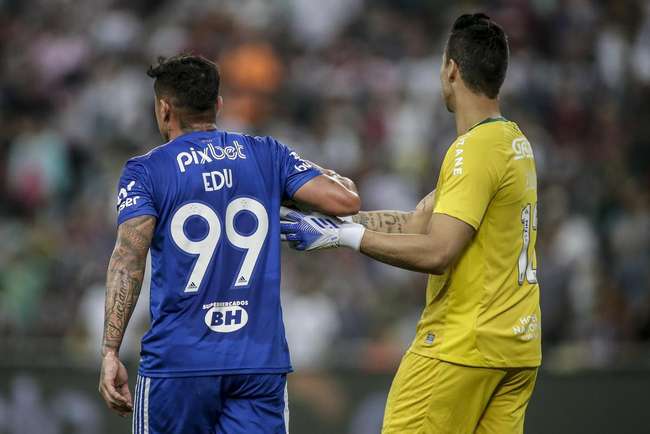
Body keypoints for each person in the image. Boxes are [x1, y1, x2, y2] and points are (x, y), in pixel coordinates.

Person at [281, 13, 541, 433]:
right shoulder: (513, 143)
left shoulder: (471, 151)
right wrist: (330, 220)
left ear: (451, 68)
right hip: (515, 348)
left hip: (460, 346)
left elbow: (439, 250)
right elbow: (422, 222)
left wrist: (346, 236)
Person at [97, 54, 360, 434]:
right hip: (257, 361)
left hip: (179, 363)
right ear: (218, 105)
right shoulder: (267, 154)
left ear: (164, 108)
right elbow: (346, 200)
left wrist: (110, 351)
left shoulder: (146, 171)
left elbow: (128, 258)